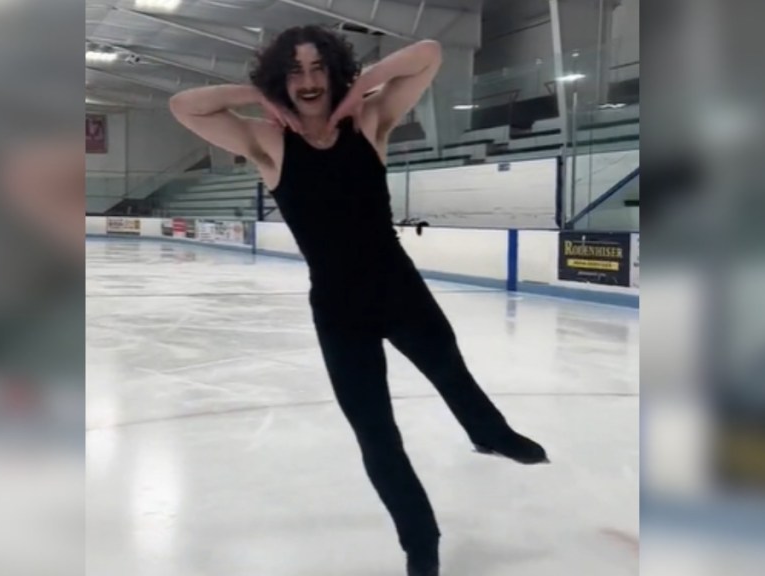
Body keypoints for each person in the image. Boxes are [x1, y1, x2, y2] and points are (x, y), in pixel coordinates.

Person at [170, 25, 548, 576]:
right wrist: (256, 95)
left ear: (335, 72)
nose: (308, 80)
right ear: (282, 79)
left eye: (319, 66)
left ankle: (488, 432)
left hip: (400, 288)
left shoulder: (368, 122)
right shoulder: (270, 142)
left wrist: (362, 86)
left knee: (452, 373)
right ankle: (421, 542)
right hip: (338, 310)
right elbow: (184, 106)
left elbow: (431, 53)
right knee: (376, 433)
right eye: (295, 70)